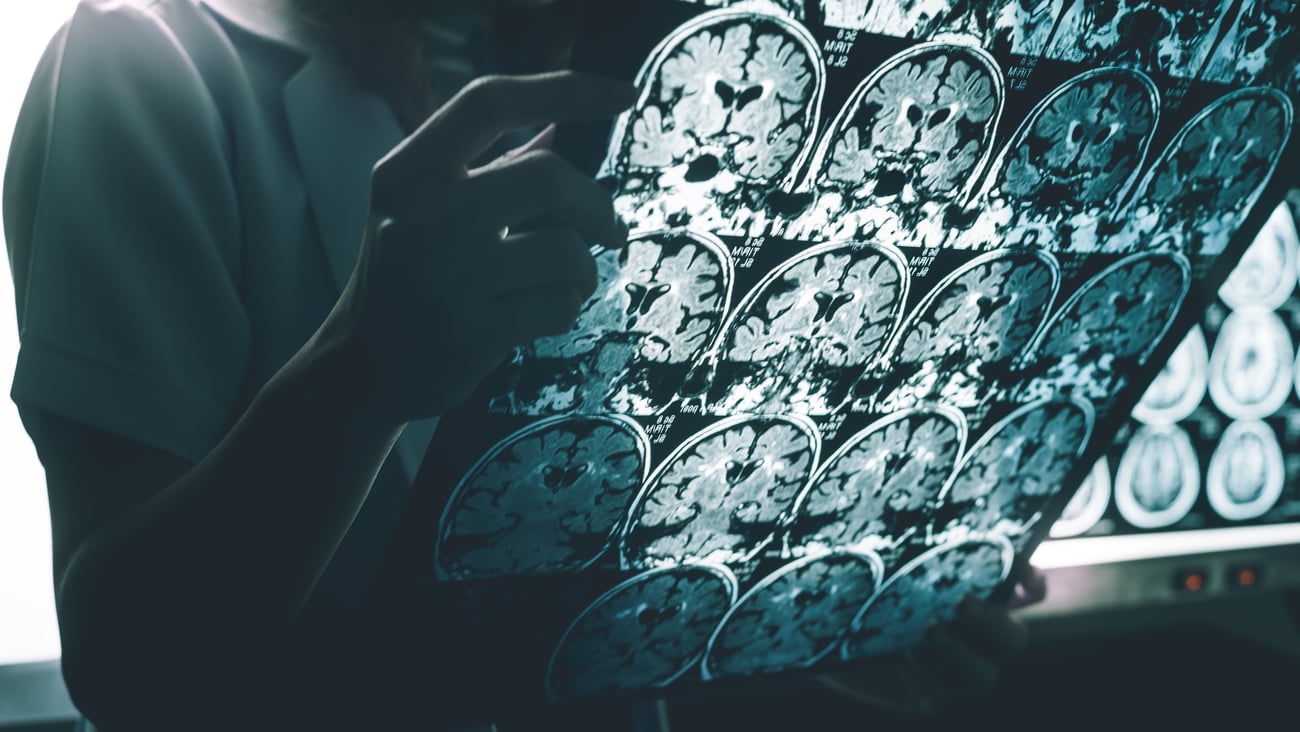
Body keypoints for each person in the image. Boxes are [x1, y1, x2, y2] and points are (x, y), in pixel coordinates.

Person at [3, 1, 1042, 729]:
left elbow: (561, 609)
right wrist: (362, 373)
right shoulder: (144, 62)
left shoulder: (672, 82)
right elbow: (128, 665)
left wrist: (828, 606)